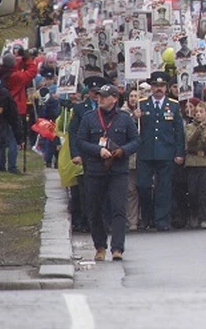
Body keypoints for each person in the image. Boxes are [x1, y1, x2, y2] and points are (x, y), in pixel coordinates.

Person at [75, 84, 139, 261]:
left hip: (118, 170)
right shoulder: (89, 118)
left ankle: (117, 248)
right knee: (95, 209)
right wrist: (97, 150)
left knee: (119, 208)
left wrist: (122, 151)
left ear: (114, 99)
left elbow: (135, 141)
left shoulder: (124, 119)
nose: (100, 99)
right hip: (96, 170)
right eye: (98, 96)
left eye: (104, 96)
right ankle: (100, 246)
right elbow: (80, 141)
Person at [136, 72, 184, 231]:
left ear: (166, 87)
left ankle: (161, 219)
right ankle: (147, 217)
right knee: (143, 186)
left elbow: (178, 131)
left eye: (162, 86)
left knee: (164, 188)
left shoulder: (174, 105)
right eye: (156, 86)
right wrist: (134, 117)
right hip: (145, 151)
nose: (159, 89)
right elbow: (133, 129)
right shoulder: (141, 105)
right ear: (151, 87)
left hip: (166, 151)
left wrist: (179, 152)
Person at [184, 102, 206, 229]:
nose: (198, 114)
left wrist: (204, 132)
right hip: (192, 161)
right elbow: (190, 141)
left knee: (204, 192)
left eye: (201, 112)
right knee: (192, 191)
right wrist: (199, 129)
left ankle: (204, 216)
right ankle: (193, 214)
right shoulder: (189, 127)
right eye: (196, 112)